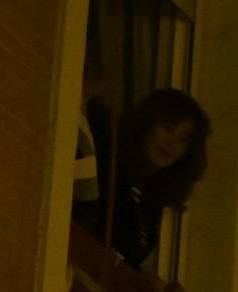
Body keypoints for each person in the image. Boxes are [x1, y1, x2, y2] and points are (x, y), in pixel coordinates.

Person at [87, 87, 211, 273]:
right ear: (147, 122)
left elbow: (126, 258)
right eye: (168, 127)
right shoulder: (106, 166)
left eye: (183, 139)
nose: (172, 143)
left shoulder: (150, 197)